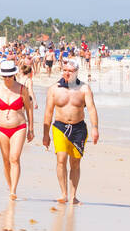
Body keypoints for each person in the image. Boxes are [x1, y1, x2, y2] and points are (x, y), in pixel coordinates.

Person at [42, 58, 98, 206]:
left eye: (70, 71)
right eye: (65, 70)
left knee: (75, 163)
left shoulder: (84, 89)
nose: (67, 73)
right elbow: (48, 112)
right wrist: (45, 134)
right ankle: (63, 194)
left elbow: (91, 109)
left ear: (76, 72)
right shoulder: (54, 89)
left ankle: (73, 196)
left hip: (79, 128)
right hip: (59, 127)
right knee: (61, 159)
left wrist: (95, 128)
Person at [0, 58, 33, 200]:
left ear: (14, 74)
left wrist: (31, 129)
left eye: (9, 75)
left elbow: (29, 109)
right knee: (6, 160)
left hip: (19, 126)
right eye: (4, 76)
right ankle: (10, 185)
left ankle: (13, 190)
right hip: (1, 128)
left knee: (14, 158)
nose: (7, 78)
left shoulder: (22, 89)